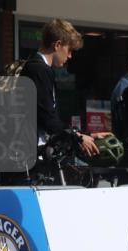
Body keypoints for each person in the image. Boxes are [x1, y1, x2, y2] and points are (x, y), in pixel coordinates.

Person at [20, 19, 99, 158]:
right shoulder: (39, 70)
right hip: (29, 155)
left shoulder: (37, 68)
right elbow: (48, 120)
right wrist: (79, 138)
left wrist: (85, 135)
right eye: (69, 50)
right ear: (57, 45)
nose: (70, 56)